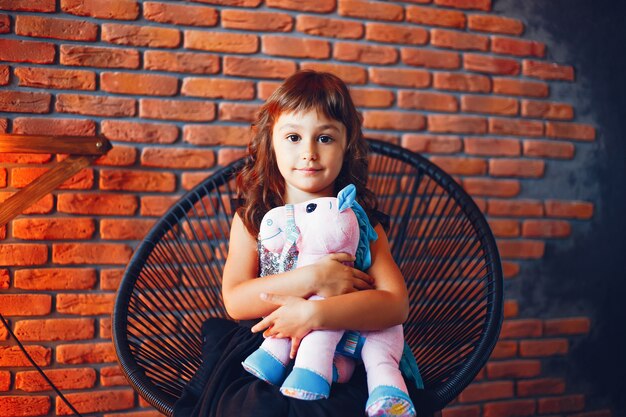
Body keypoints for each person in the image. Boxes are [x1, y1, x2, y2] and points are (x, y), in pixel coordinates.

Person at [174, 70, 419, 417]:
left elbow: (396, 306)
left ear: (346, 145)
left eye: (325, 138)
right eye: (293, 136)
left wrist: (315, 313)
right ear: (270, 142)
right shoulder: (253, 218)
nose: (308, 153)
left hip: (342, 352)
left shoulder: (361, 223)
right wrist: (314, 280)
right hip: (266, 346)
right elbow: (235, 300)